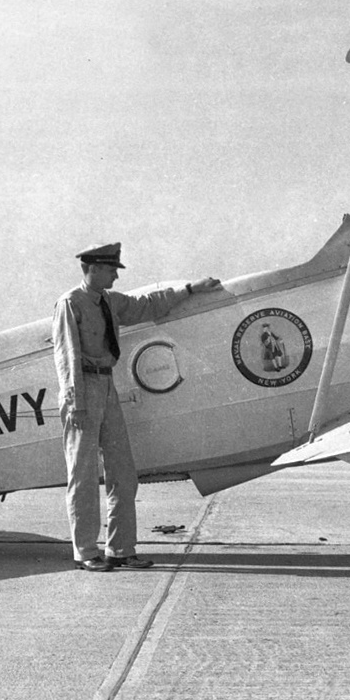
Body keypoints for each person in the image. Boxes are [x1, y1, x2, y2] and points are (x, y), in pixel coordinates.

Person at [53, 242, 223, 572]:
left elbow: (146, 305)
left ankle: (120, 549)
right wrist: (75, 400)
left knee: (123, 473)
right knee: (84, 476)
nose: (116, 274)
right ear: (94, 269)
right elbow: (66, 354)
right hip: (82, 390)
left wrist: (189, 289)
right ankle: (86, 551)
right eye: (112, 269)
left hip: (106, 385)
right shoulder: (70, 303)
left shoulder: (109, 301)